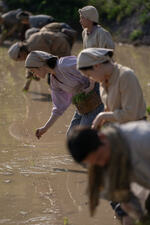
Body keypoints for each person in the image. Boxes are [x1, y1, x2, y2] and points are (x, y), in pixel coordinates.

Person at [77, 47, 146, 225]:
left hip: (136, 138)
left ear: (98, 65)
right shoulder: (103, 82)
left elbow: (130, 113)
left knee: (129, 192)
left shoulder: (126, 76)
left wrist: (102, 116)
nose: (91, 80)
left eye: (90, 75)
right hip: (117, 138)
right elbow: (110, 108)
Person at [67, 121, 150, 224]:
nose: (101, 164)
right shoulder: (110, 155)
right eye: (95, 163)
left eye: (100, 157)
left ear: (102, 137)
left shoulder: (143, 140)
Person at [25, 50, 104, 139]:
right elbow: (58, 108)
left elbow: (89, 66)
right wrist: (44, 129)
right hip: (84, 103)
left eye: (33, 71)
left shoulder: (64, 64)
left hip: (97, 95)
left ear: (39, 65)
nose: (34, 75)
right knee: (71, 136)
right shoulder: (54, 81)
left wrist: (91, 86)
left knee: (82, 138)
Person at [8, 30, 72, 91]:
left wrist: (37, 74)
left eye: (19, 59)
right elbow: (32, 67)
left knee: (57, 78)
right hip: (56, 46)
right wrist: (27, 84)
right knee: (53, 79)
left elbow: (46, 64)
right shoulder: (29, 45)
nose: (20, 61)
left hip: (61, 49)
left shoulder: (35, 48)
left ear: (21, 53)